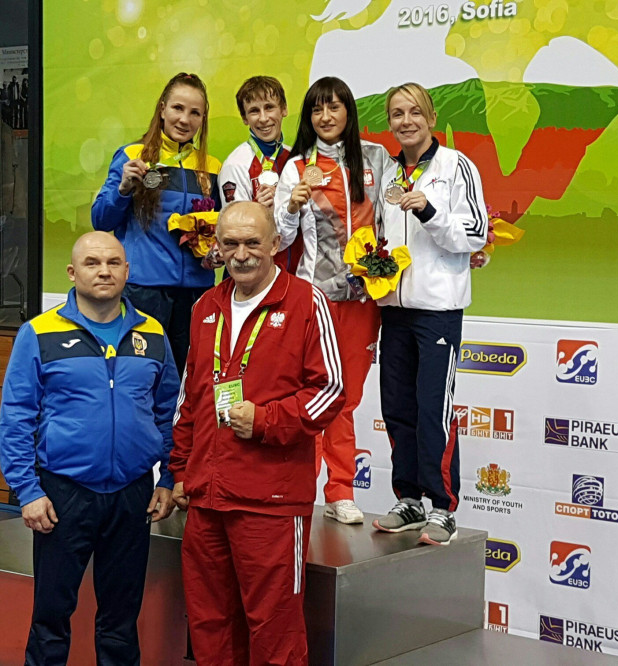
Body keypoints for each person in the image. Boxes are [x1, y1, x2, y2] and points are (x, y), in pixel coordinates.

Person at [170, 201, 345, 665]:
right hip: (207, 499)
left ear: (275, 244)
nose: (242, 254)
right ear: (217, 247)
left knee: (275, 628)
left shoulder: (306, 302)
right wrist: (180, 472)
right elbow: (191, 399)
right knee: (210, 625)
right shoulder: (206, 307)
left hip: (270, 501)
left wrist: (266, 420)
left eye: (252, 242)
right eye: (230, 244)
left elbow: (330, 390)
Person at [0, 231, 180, 665]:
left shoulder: (153, 333)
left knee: (121, 621)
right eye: (92, 263)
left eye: (113, 263)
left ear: (127, 271)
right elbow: (16, 417)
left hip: (132, 494)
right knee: (51, 617)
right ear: (72, 272)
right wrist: (28, 490)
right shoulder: (39, 333)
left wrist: (169, 478)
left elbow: (168, 412)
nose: (104, 271)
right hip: (63, 495)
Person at [372, 83, 488, 545]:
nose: (406, 121)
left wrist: (430, 210)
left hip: (438, 310)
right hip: (393, 309)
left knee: (432, 408)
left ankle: (443, 507)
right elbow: (378, 233)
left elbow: (475, 232)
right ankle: (409, 500)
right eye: (397, 114)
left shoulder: (456, 166)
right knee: (397, 408)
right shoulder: (387, 172)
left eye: (414, 112)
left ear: (431, 117)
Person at [274, 76, 392, 524]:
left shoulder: (377, 158)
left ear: (348, 112)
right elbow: (282, 236)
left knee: (347, 398)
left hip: (364, 298)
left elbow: (394, 218)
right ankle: (305, 486)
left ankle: (340, 490)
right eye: (317, 109)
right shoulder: (297, 166)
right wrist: (291, 205)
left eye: (334, 107)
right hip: (315, 298)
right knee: (315, 393)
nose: (326, 117)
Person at [91, 72, 221, 375]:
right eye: (178, 108)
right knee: (140, 375)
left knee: (190, 376)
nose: (184, 119)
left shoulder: (212, 167)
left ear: (203, 119)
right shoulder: (132, 156)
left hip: (196, 292)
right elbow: (101, 220)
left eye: (195, 113)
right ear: (162, 109)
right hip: (143, 290)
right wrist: (123, 189)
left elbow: (220, 228)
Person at [219, 75, 302, 273]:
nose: (263, 118)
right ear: (245, 118)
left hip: (297, 274)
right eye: (254, 111)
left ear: (284, 109)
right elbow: (236, 232)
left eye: (269, 107)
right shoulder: (236, 164)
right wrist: (258, 211)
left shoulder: (297, 159)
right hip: (257, 276)